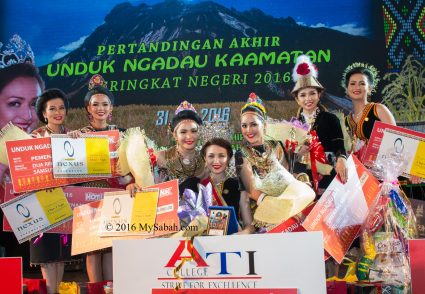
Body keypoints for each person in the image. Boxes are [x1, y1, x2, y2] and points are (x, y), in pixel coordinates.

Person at [235, 93, 315, 229]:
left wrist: (301, 187)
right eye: (244, 125)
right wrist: (278, 206)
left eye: (253, 124)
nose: (248, 130)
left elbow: (287, 177)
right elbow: (250, 190)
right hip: (265, 211)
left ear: (264, 125)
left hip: (290, 205)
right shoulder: (241, 154)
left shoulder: (275, 145)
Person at [0, 34, 43, 270]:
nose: (28, 117)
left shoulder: (37, 145)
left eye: (33, 104)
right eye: (15, 103)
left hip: (24, 230)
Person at [30, 88, 74, 294]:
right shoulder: (35, 137)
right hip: (43, 201)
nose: (58, 112)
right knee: (47, 254)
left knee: (61, 253)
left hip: (66, 200)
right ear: (43, 113)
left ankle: (56, 291)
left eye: (61, 108)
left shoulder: (71, 136)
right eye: (52, 109)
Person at [291, 55, 348, 194]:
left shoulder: (331, 119)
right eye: (303, 95)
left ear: (319, 95)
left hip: (328, 175)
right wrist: (297, 153)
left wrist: (341, 159)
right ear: (297, 99)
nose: (308, 98)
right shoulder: (293, 124)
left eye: (312, 93)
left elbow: (339, 146)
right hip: (302, 179)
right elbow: (289, 157)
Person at [128, 101, 208, 194]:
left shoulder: (206, 160)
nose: (189, 136)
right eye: (183, 132)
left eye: (193, 131)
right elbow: (146, 186)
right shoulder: (160, 158)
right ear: (175, 135)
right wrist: (133, 186)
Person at [200, 138, 255, 234]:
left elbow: (249, 225)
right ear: (205, 158)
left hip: (232, 242)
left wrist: (242, 234)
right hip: (202, 245)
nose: (216, 161)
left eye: (221, 156)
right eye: (211, 156)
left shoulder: (238, 185)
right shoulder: (199, 187)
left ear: (229, 158)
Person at [342, 62, 396, 159]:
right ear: (347, 89)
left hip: (382, 170)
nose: (357, 87)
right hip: (357, 172)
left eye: (362, 83)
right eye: (352, 83)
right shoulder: (345, 121)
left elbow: (396, 140)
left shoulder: (378, 110)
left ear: (370, 88)